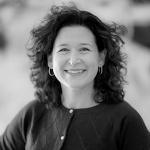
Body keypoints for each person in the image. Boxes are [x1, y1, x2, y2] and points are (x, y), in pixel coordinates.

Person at [0, 3, 149, 150]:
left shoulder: (125, 119)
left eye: (84, 49)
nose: (73, 60)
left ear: (101, 58)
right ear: (50, 60)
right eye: (64, 49)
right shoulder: (32, 113)